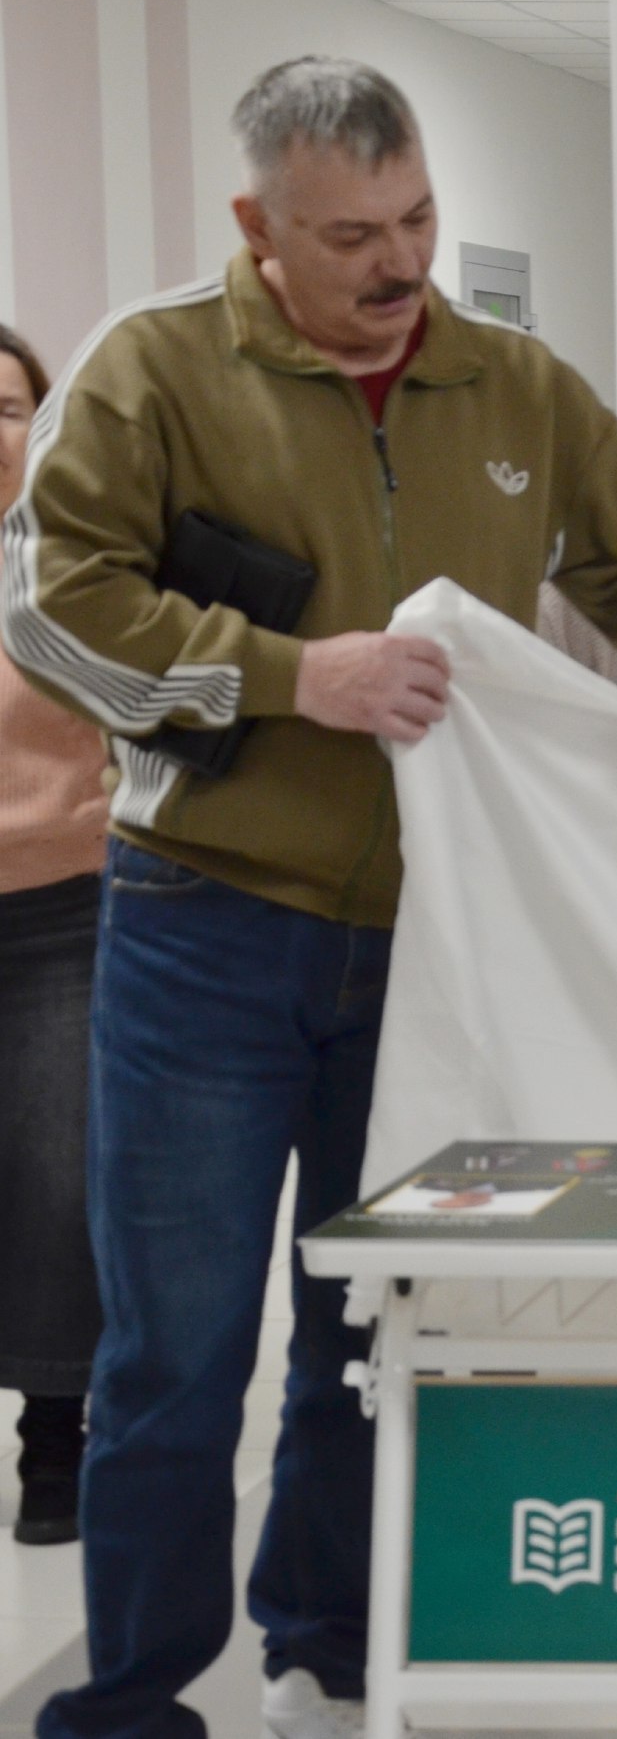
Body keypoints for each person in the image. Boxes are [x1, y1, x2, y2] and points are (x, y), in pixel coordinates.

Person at [1, 56, 617, 1739]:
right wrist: (293, 676)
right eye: (352, 235)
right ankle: (127, 1703)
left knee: (372, 1323)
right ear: (257, 224)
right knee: (176, 1353)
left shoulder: (514, 385)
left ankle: (331, 1652)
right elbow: (53, 616)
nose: (399, 263)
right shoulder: (151, 371)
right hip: (202, 928)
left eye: (418, 218)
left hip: (433, 937)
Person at [0, 321, 107, 1549]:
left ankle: (54, 1439)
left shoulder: (76, 562)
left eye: (7, 405)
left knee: (54, 1179)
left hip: (62, 910)